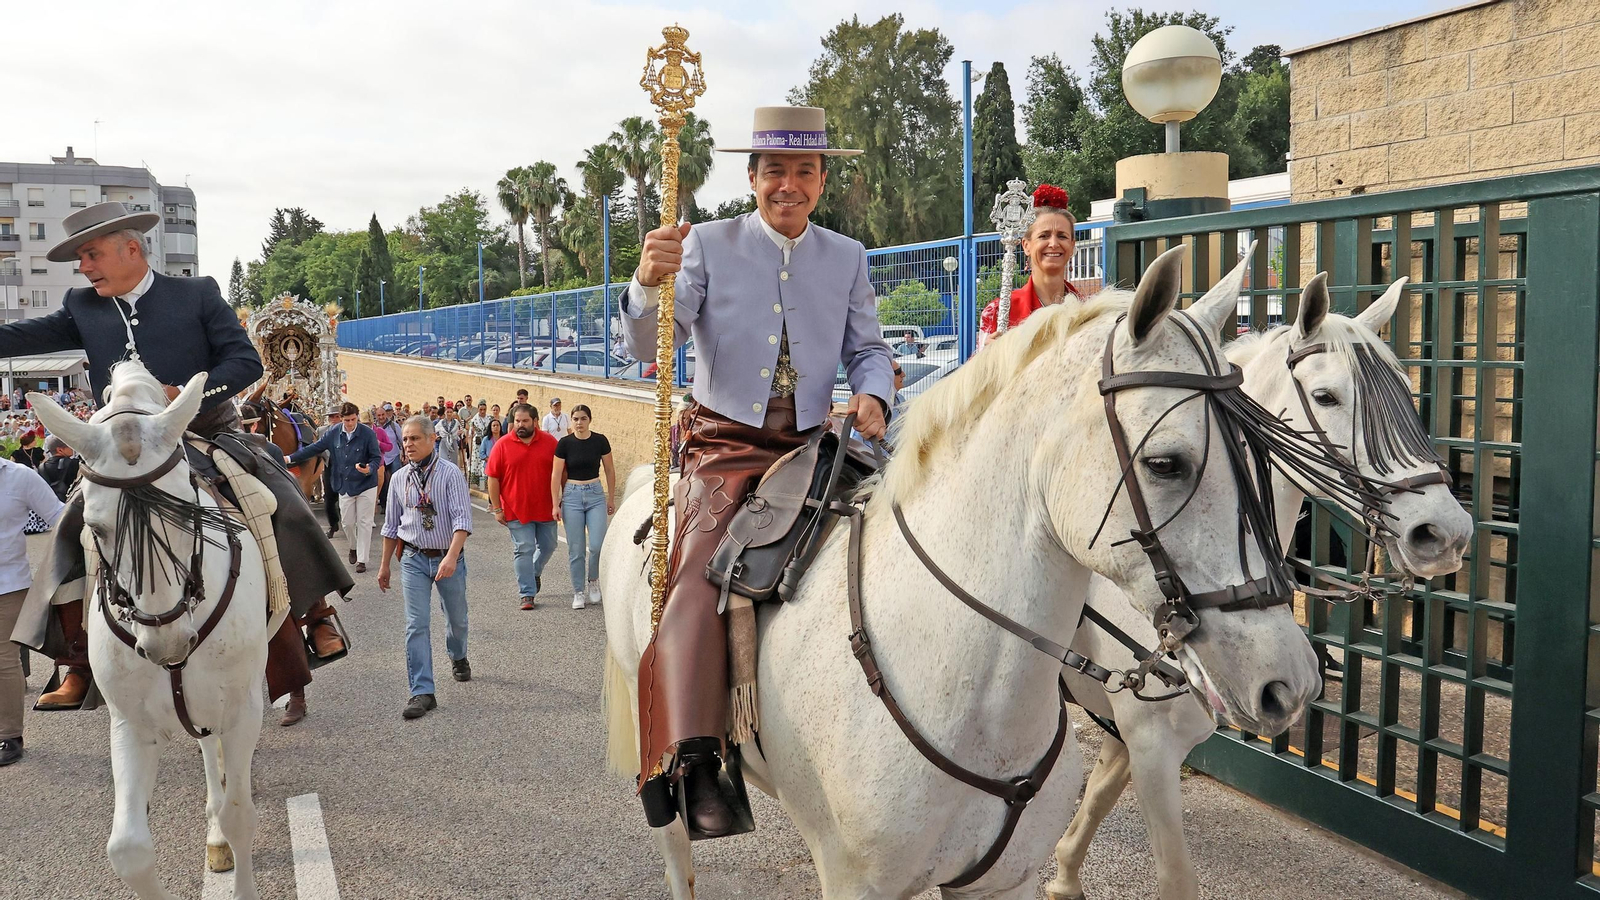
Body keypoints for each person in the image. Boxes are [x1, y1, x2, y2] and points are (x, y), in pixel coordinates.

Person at [622, 106, 891, 837]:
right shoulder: (704, 245)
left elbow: (868, 348)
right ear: (752, 178)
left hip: (813, 444)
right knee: (697, 572)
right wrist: (648, 283)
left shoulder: (848, 255)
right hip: (725, 442)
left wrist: (874, 392)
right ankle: (697, 754)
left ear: (822, 180)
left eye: (805, 172)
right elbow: (651, 344)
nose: (789, 186)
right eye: (775, 171)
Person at [3, 201, 352, 714]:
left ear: (132, 249)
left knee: (275, 497)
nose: (84, 267)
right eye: (81, 259)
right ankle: (77, 660)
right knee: (74, 525)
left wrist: (186, 396)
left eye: (91, 254)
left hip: (204, 431)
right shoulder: (83, 305)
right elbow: (19, 336)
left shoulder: (197, 293)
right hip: (122, 448)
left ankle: (314, 613)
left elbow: (245, 361)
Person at [377, 415, 473, 721]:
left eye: (415, 438)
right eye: (405, 439)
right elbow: (391, 526)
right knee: (416, 623)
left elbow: (462, 522)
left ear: (433, 440)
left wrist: (451, 557)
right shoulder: (398, 479)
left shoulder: (450, 474)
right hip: (414, 558)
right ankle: (422, 691)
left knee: (456, 619)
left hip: (448, 556)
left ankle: (458, 655)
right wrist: (384, 567)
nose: (409, 444)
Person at [0, 454, 65, 765]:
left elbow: (59, 516)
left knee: (2, 660)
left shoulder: (19, 476)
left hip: (6, 585)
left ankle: (8, 734)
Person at [977, 183, 1083, 351]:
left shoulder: (1087, 311)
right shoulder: (999, 312)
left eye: (1062, 236)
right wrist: (988, 356)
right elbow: (977, 375)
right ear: (1026, 245)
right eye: (1044, 236)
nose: (1054, 244)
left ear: (1072, 245)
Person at [288, 402, 383, 573]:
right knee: (347, 523)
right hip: (344, 484)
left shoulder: (367, 433)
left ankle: (362, 559)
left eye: (353, 419)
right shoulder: (334, 433)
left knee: (365, 522)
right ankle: (353, 547)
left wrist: (370, 468)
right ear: (341, 418)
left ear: (357, 417)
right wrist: (290, 458)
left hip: (366, 484)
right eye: (347, 420)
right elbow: (314, 449)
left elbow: (376, 457)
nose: (350, 423)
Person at [486, 403, 558, 611]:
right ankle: (526, 593)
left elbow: (560, 472)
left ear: (535, 422)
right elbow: (493, 478)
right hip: (515, 509)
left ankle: (533, 572)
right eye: (517, 421)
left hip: (546, 508)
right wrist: (497, 508)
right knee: (523, 548)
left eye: (525, 421)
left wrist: (560, 500)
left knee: (549, 546)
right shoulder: (502, 445)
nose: (520, 425)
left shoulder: (550, 443)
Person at [552, 405, 615, 610]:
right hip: (572, 496)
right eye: (576, 419)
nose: (579, 422)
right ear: (571, 420)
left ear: (590, 420)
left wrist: (611, 498)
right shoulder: (564, 444)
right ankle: (578, 590)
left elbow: (609, 469)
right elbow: (555, 474)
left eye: (583, 418)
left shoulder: (600, 441)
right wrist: (555, 503)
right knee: (576, 549)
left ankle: (593, 580)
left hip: (596, 494)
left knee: (597, 545)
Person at [317, 407, 344, 538]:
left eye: (336, 416)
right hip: (329, 466)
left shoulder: (348, 430)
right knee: (328, 498)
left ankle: (349, 523)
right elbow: (316, 448)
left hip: (346, 468)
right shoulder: (321, 431)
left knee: (346, 498)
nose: (334, 419)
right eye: (331, 417)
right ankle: (333, 524)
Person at [374, 403, 404, 511]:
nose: (381, 417)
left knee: (396, 479)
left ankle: (399, 503)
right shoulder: (374, 428)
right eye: (379, 415)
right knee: (382, 481)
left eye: (383, 414)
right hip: (380, 459)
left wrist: (405, 455)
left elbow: (401, 440)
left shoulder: (393, 426)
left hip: (393, 456)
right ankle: (384, 505)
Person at [38, 436, 79, 503]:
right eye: (69, 446)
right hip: (71, 504)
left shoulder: (41, 467)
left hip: (51, 505)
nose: (72, 448)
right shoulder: (74, 463)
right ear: (60, 450)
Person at [467, 400, 492, 486]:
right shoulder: (474, 420)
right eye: (481, 409)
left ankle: (485, 484)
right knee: (478, 463)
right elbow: (470, 433)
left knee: (485, 463)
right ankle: (480, 485)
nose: (482, 411)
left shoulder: (489, 419)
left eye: (484, 409)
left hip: (487, 443)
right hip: (477, 444)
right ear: (478, 409)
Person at [435, 404, 466, 472]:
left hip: (453, 442)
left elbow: (462, 431)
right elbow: (434, 431)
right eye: (447, 412)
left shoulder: (456, 422)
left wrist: (461, 433)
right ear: (445, 413)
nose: (449, 414)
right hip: (443, 443)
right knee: (444, 461)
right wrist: (436, 436)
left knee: (453, 461)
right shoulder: (441, 422)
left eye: (450, 412)